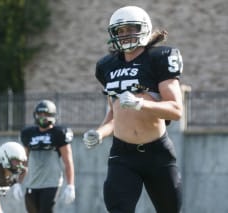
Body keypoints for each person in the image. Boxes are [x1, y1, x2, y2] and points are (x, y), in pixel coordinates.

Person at [83, 6, 183, 213]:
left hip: (158, 153)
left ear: (144, 29)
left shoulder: (159, 58)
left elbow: (175, 110)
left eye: (131, 28)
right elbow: (115, 114)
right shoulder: (107, 66)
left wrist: (141, 104)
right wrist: (99, 133)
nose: (125, 35)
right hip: (123, 155)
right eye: (120, 31)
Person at [13, 99, 75, 213]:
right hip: (32, 183)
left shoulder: (58, 133)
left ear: (52, 115)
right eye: (40, 114)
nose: (42, 117)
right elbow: (24, 161)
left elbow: (68, 161)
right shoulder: (29, 133)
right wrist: (18, 182)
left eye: (46, 114)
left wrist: (70, 185)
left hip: (51, 183)